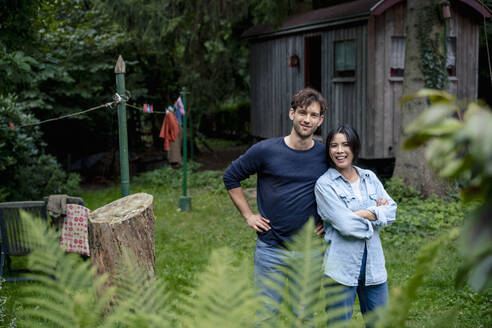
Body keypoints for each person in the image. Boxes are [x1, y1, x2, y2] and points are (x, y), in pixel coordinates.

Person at [222, 88, 328, 322]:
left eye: (313, 115)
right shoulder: (266, 150)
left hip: (308, 252)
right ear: (292, 114)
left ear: (320, 120)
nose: (307, 119)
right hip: (271, 250)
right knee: (266, 317)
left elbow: (343, 187)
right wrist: (248, 215)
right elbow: (231, 177)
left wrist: (329, 222)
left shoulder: (325, 156)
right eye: (302, 113)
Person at [314, 124, 397, 328]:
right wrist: (375, 214)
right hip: (341, 268)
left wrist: (355, 214)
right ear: (328, 150)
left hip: (374, 266)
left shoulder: (370, 178)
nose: (340, 151)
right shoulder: (325, 185)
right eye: (334, 145)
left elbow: (392, 210)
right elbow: (346, 226)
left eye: (345, 145)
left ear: (355, 148)